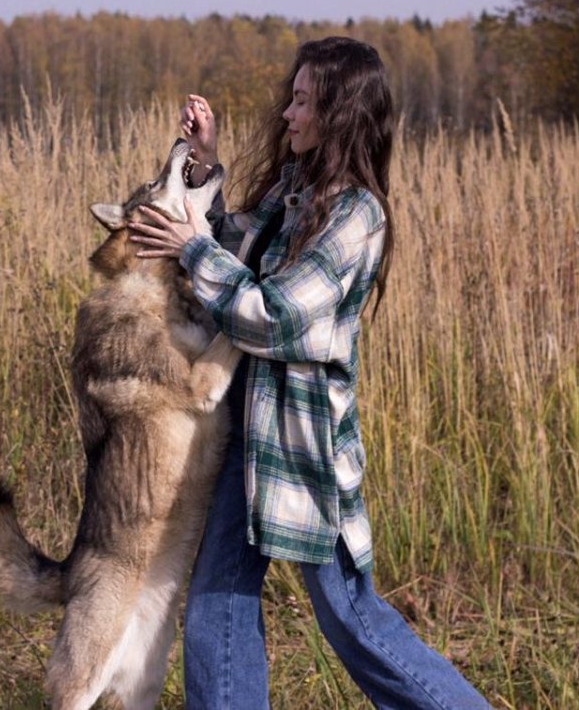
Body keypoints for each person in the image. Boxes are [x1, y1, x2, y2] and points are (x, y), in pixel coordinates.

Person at [129, 37, 489, 710]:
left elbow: (275, 315)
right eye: (290, 98)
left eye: (302, 100)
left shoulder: (356, 217)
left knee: (351, 619)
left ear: (339, 112)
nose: (287, 113)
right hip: (249, 436)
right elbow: (236, 251)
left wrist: (192, 248)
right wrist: (205, 172)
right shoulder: (297, 190)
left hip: (305, 448)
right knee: (216, 608)